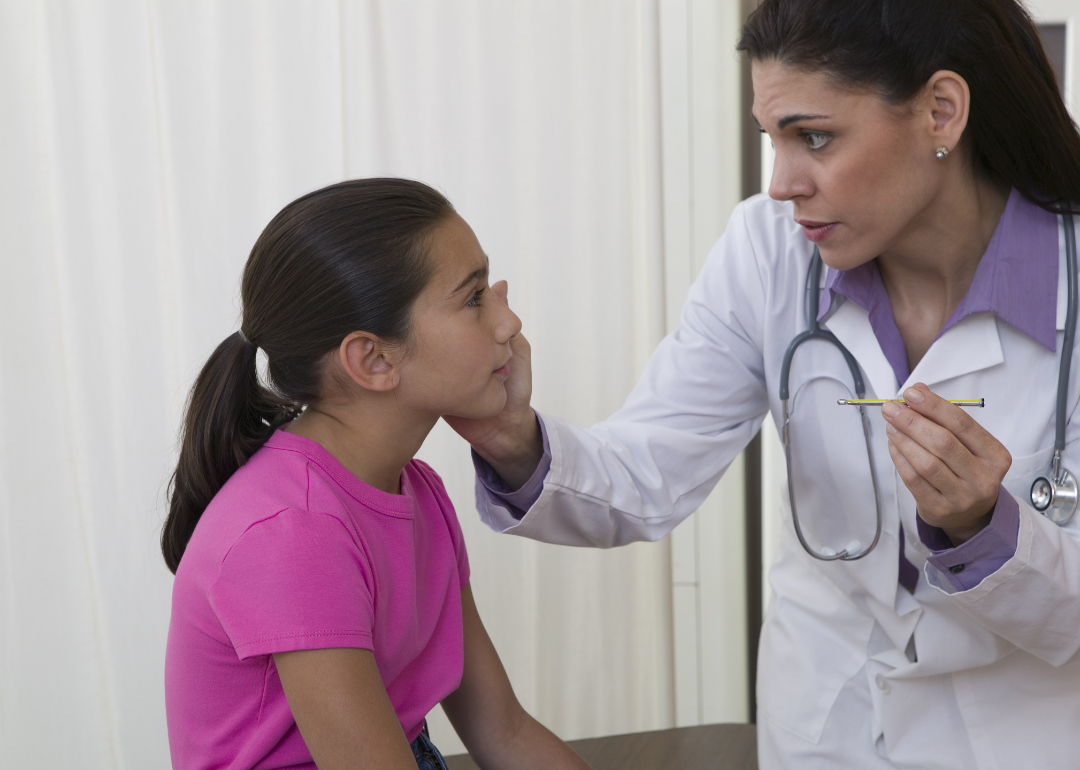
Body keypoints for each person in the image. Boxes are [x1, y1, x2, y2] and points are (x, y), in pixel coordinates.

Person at [446, 1, 1080, 767]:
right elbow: (649, 469)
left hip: (1021, 733)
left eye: (814, 137)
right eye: (771, 138)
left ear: (941, 113)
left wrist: (986, 528)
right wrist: (513, 440)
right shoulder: (767, 252)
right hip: (825, 721)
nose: (781, 183)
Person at [162, 179, 590, 770]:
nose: (509, 321)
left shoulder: (417, 491)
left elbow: (506, 732)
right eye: (473, 299)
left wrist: (506, 427)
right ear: (374, 359)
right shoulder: (293, 533)